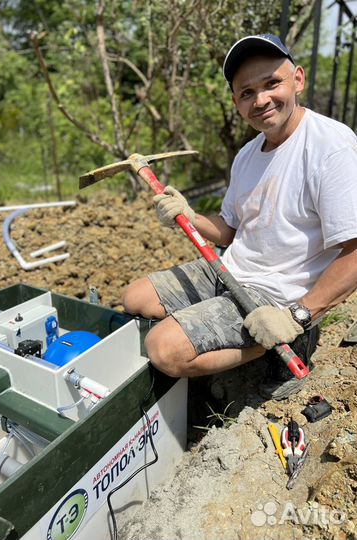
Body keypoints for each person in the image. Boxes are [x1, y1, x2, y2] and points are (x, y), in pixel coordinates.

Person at [122, 34, 357, 400]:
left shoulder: (331, 147)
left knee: (163, 349)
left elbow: (355, 253)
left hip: (279, 293)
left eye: (271, 83)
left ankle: (288, 343)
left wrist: (298, 316)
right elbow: (229, 231)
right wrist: (189, 214)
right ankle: (232, 329)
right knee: (135, 298)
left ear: (297, 79)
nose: (260, 100)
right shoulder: (248, 154)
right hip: (231, 269)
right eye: (246, 92)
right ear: (236, 102)